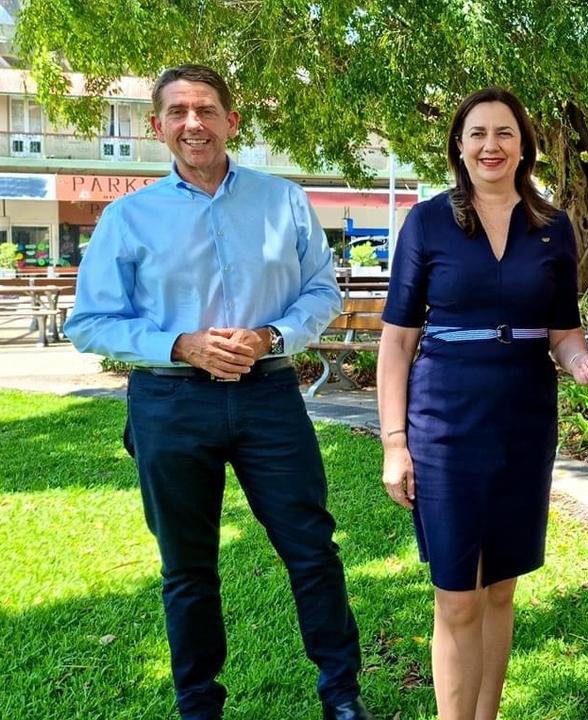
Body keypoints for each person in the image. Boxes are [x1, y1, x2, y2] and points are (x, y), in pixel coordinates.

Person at [64, 65, 371, 720]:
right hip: (170, 402)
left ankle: (342, 696)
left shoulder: (283, 200)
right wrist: (180, 343)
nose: (192, 123)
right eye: (177, 112)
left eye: (206, 109)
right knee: (187, 568)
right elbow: (88, 321)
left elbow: (321, 290)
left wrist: (270, 335)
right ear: (157, 127)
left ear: (233, 121)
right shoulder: (127, 217)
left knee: (311, 549)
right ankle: (199, 706)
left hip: (269, 395)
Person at [376, 87, 588, 720]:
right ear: (458, 145)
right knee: (457, 596)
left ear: (524, 145)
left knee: (501, 588)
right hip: (444, 422)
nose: (490, 145)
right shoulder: (426, 221)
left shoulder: (553, 227)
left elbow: (562, 330)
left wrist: (578, 358)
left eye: (504, 133)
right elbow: (397, 342)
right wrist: (395, 444)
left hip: (525, 421)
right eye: (477, 133)